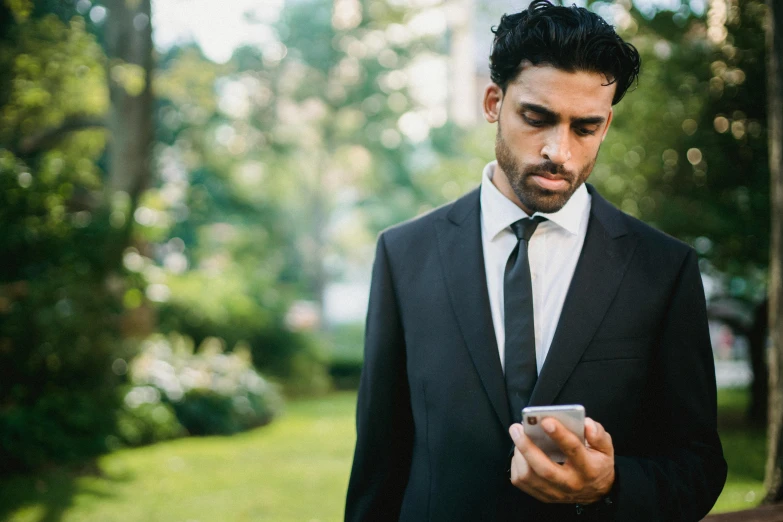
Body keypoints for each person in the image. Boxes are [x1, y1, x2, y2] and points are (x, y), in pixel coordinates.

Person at [344, 1, 727, 520]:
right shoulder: (403, 255)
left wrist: (611, 484)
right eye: (537, 117)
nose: (559, 151)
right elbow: (377, 466)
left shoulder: (663, 269)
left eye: (584, 127)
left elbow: (699, 465)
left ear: (607, 124)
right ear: (493, 101)